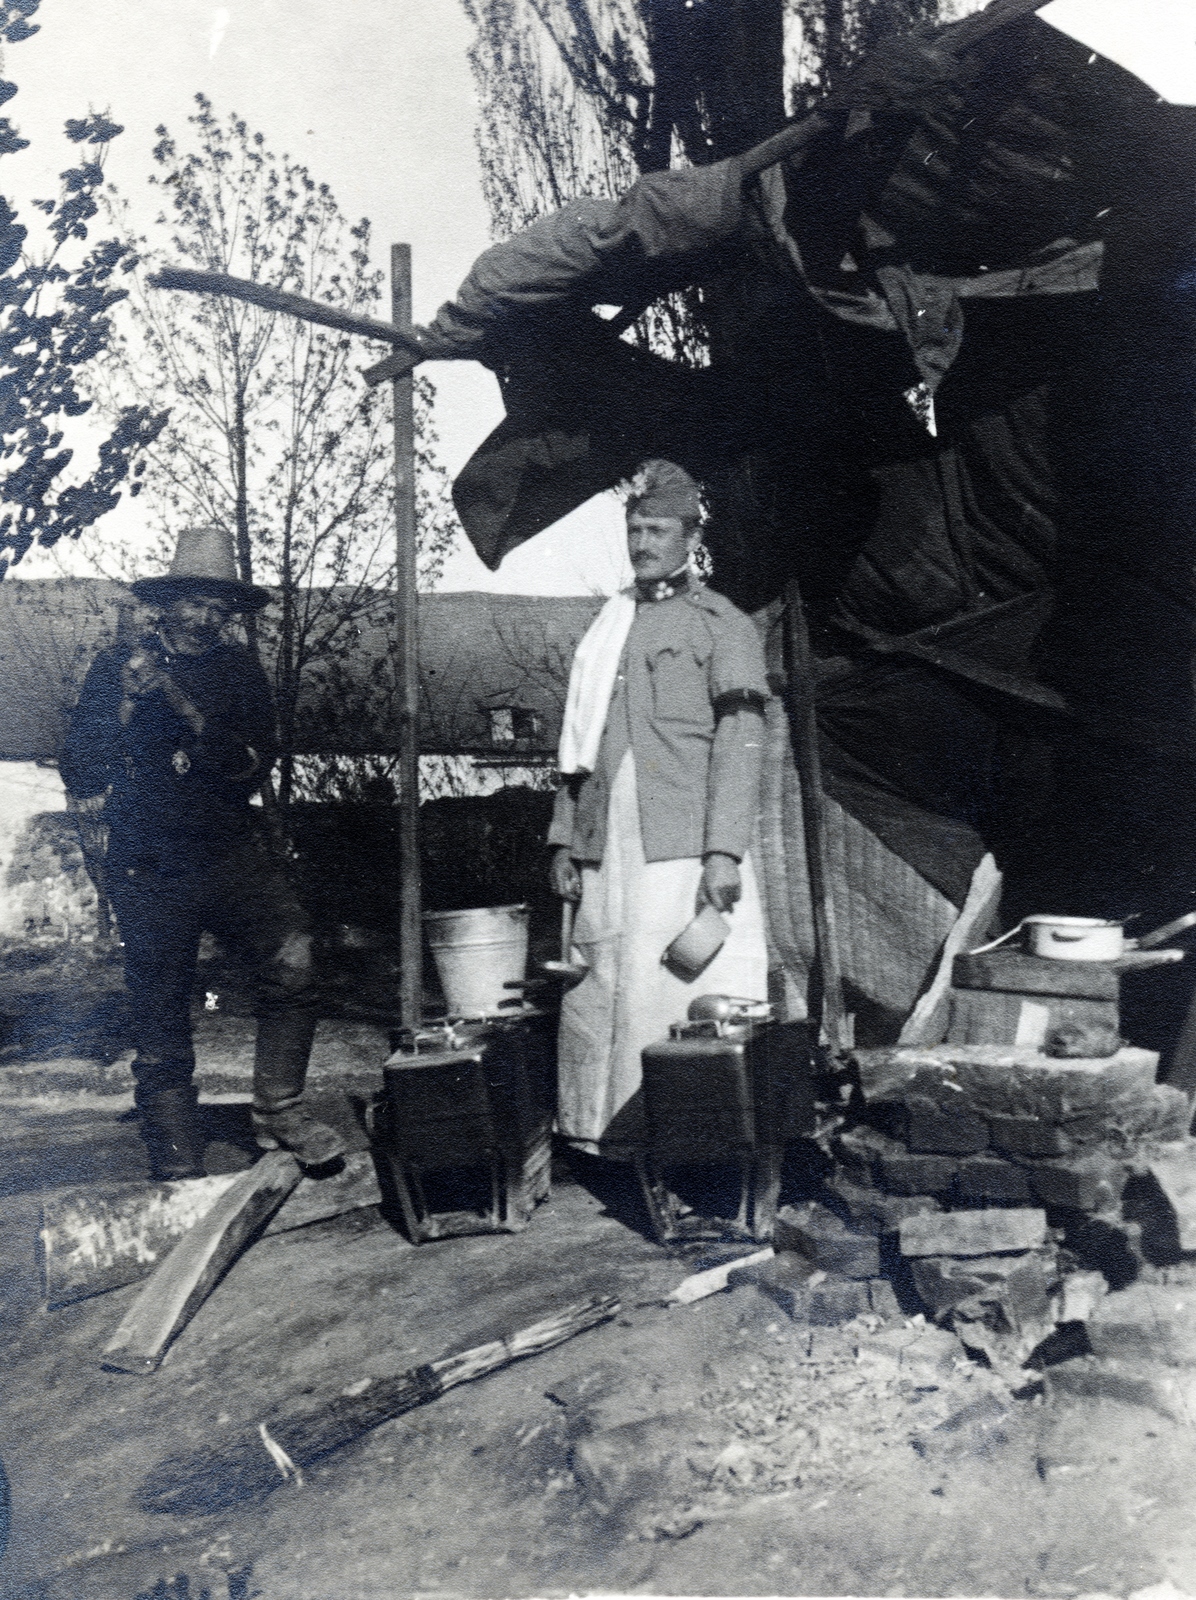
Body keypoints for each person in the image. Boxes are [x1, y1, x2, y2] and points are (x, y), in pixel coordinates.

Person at [60, 526, 344, 1179]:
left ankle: (280, 1110)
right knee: (160, 994)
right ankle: (172, 1133)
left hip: (227, 851)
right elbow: (81, 767)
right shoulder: (114, 666)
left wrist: (180, 704)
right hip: (148, 859)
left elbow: (249, 766)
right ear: (168, 603)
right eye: (193, 603)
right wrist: (131, 701)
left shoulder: (239, 671)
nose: (205, 618)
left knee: (294, 957)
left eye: (218, 608)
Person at [548, 459, 770, 1157]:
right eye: (635, 529)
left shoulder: (722, 625)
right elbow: (577, 748)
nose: (643, 544)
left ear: (689, 538)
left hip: (685, 841)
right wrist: (562, 839)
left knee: (676, 986)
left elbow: (740, 742)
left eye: (658, 530)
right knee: (601, 979)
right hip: (606, 840)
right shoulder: (607, 628)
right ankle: (600, 1136)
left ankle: (688, 1140)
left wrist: (723, 851)